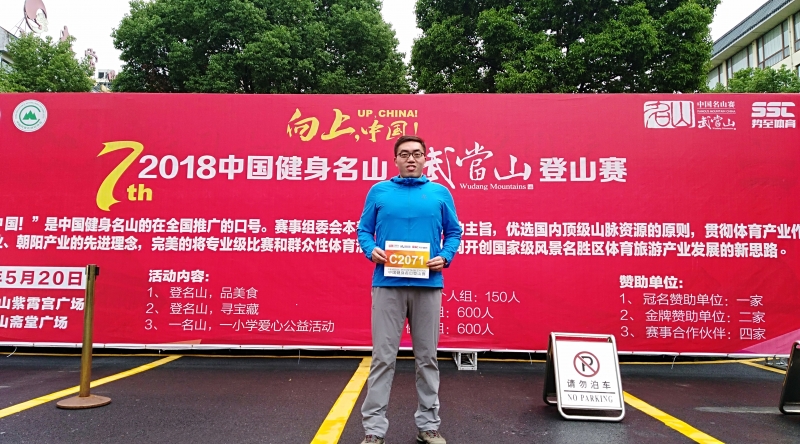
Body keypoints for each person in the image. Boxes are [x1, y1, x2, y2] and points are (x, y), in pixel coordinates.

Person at [357, 135, 462, 444]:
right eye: (404, 154)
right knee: (383, 358)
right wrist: (371, 249)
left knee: (427, 357)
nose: (411, 159)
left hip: (428, 285)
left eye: (417, 153)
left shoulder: (440, 193)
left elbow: (454, 232)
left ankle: (428, 425)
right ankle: (374, 430)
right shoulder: (379, 192)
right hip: (387, 284)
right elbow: (364, 229)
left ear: (426, 158)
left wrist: (445, 256)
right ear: (395, 160)